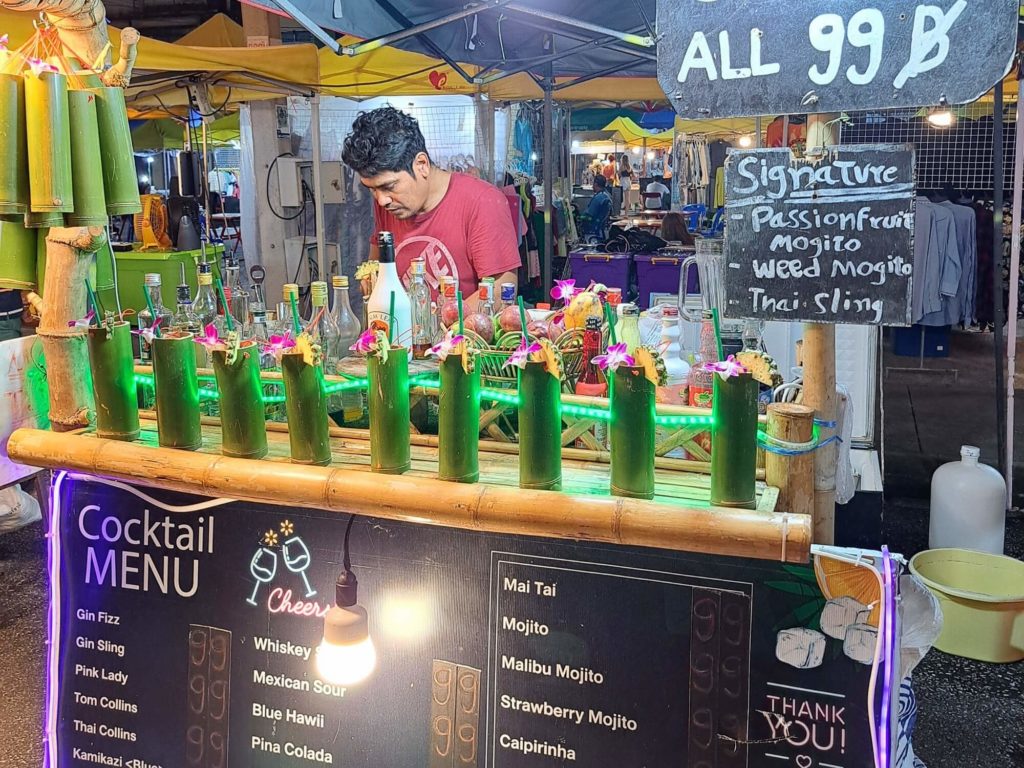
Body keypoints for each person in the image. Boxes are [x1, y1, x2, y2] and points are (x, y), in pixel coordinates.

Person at [341, 106, 521, 301]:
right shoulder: (388, 203)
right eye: (372, 189)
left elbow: (501, 288)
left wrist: (443, 326)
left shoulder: (482, 202)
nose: (381, 200)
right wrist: (371, 281)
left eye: (389, 186)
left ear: (421, 165)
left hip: (461, 330)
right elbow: (376, 263)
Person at [580, 175, 612, 241]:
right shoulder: (607, 195)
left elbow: (589, 215)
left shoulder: (597, 198)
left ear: (596, 184)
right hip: (601, 230)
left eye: (593, 184)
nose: (592, 186)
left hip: (592, 230)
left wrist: (579, 217)